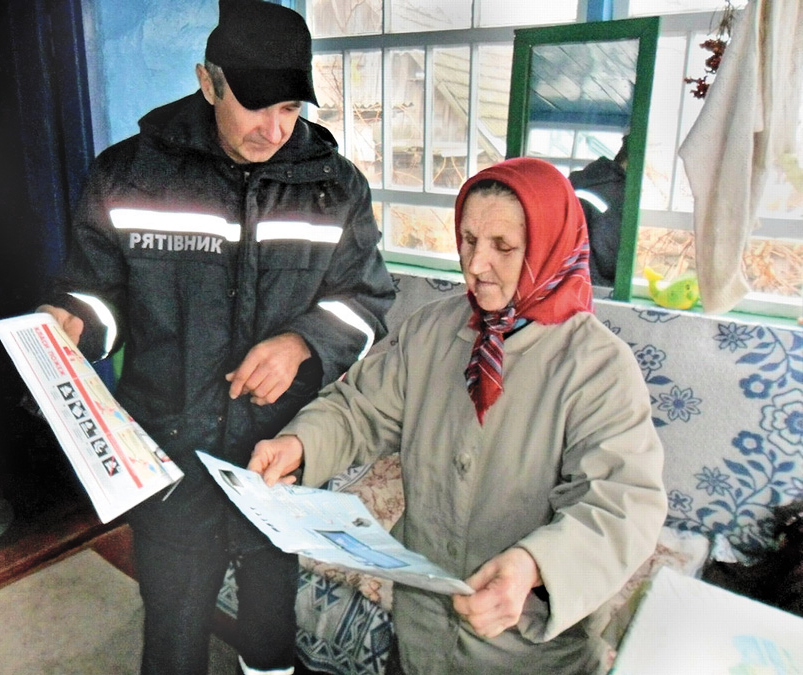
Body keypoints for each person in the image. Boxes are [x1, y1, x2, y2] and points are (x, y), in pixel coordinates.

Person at [37, 0, 395, 673]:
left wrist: (304, 343)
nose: (275, 128)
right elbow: (99, 293)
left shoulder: (333, 187)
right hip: (170, 450)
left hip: (276, 456)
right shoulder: (128, 174)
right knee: (173, 629)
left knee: (268, 627)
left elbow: (368, 299)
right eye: (255, 106)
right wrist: (77, 321)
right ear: (208, 81)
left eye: (290, 107)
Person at [250, 157, 667, 674]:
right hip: (421, 632)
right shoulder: (431, 331)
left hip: (527, 654)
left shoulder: (595, 367)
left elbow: (621, 504)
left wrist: (534, 565)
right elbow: (360, 408)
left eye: (503, 247)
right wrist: (300, 445)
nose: (475, 265)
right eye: (468, 240)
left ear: (548, 246)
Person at [568, 135, 629, 287]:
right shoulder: (614, 192)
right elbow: (609, 257)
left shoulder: (586, 180)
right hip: (591, 285)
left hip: (564, 278)